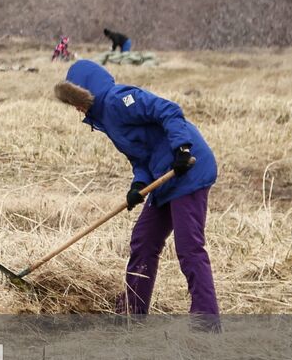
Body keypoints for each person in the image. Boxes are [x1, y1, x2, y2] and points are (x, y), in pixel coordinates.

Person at [53, 61, 219, 325]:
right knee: (143, 241)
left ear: (86, 91)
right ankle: (132, 314)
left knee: (189, 247)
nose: (75, 107)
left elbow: (169, 110)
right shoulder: (104, 120)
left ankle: (206, 321)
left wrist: (182, 149)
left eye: (75, 99)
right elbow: (141, 157)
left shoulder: (119, 100)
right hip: (164, 177)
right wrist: (138, 185)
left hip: (188, 169)